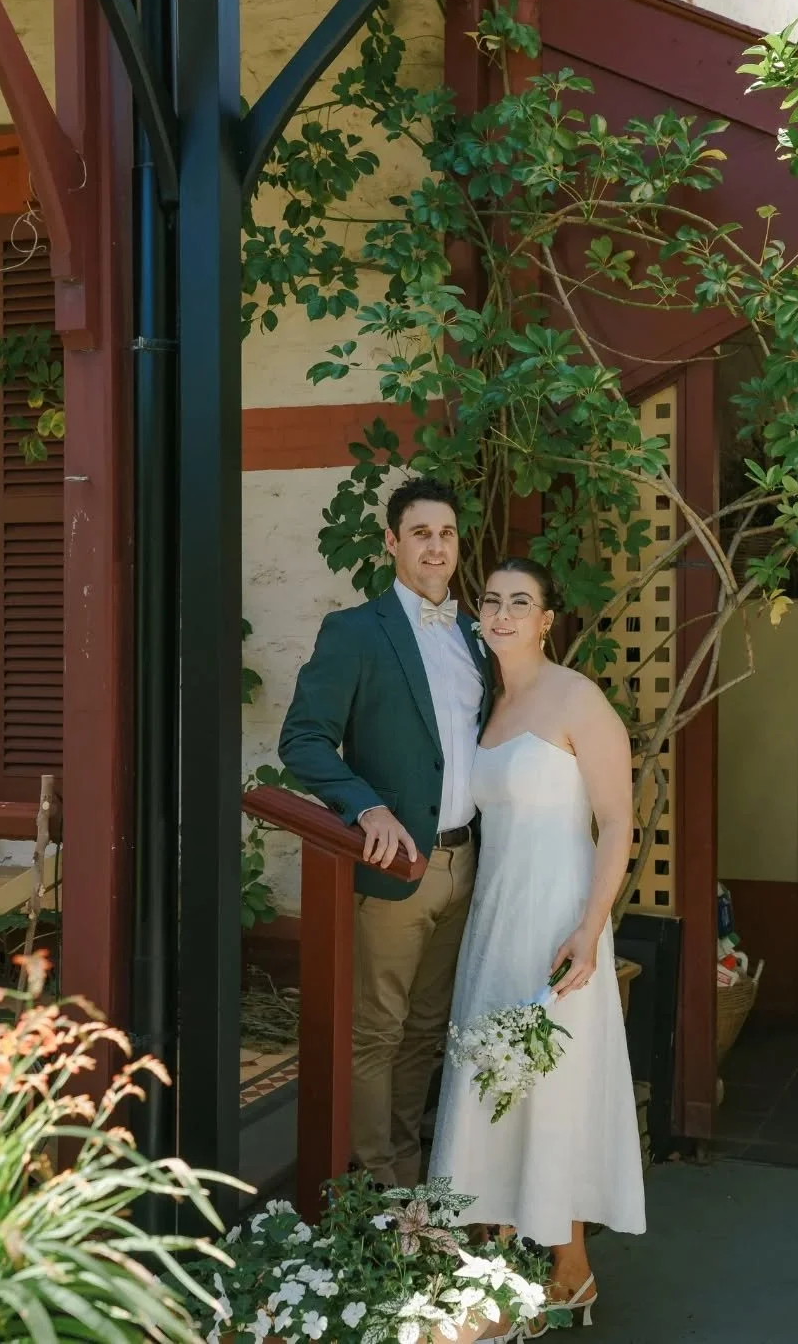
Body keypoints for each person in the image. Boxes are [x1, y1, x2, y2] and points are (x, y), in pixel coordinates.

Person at [429, 555, 646, 1335]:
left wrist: (590, 926)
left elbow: (616, 819)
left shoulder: (576, 698)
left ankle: (572, 1268)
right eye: (491, 600)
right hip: (496, 917)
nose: (502, 613)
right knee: (497, 1079)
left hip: (559, 915)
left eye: (521, 601)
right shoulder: (490, 706)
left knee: (552, 1085)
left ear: (549, 619)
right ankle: (502, 1263)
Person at [279, 477, 494, 1189]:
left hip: (469, 863)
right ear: (393, 544)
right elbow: (303, 739)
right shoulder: (355, 632)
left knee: (428, 1030)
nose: (437, 546)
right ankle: (371, 1183)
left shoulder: (477, 635)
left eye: (448, 534)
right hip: (399, 866)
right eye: (422, 534)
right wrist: (364, 806)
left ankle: (406, 1168)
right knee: (377, 1031)